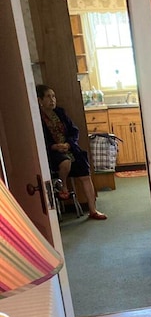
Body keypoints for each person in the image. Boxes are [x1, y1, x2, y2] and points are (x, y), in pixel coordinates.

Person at [36, 84, 107, 220]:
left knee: (85, 174)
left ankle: (92, 210)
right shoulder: (38, 118)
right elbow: (41, 139)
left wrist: (68, 144)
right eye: (48, 97)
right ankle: (63, 187)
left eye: (53, 96)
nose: (52, 100)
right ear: (40, 100)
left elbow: (74, 131)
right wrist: (55, 147)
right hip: (53, 153)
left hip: (70, 148)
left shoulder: (61, 113)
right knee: (65, 162)